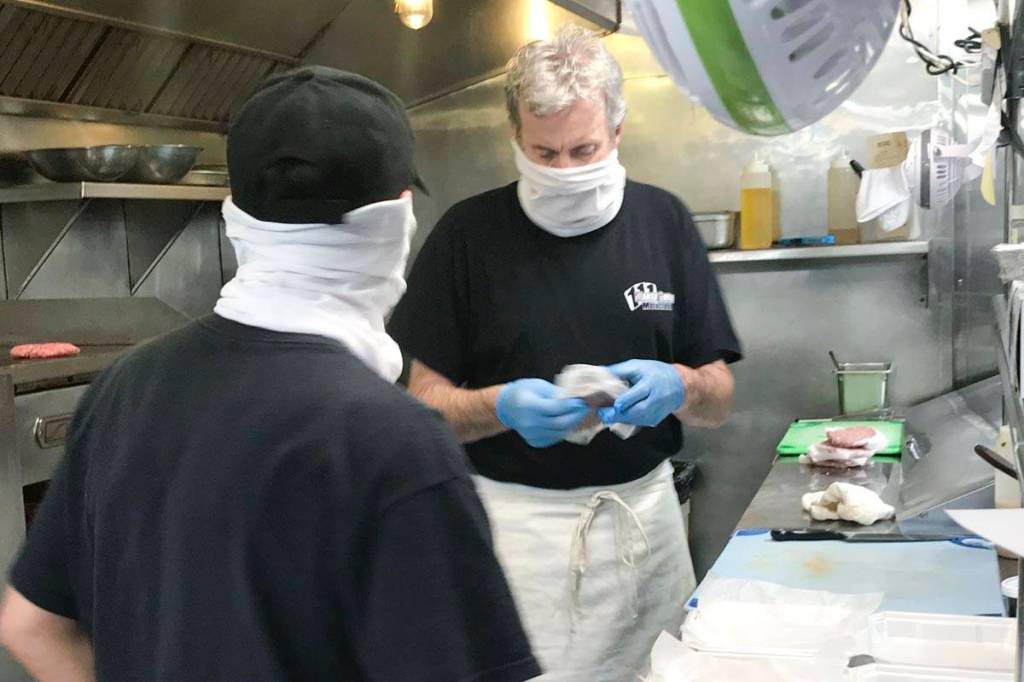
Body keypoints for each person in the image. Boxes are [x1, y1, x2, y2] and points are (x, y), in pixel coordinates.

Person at [0, 66, 541, 682]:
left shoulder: (124, 387)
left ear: (237, 214)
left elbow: (30, 626)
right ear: (398, 213)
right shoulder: (397, 441)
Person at [388, 24, 742, 680]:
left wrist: (681, 386)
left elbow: (718, 399)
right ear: (515, 137)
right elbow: (421, 410)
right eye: (544, 153)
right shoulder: (468, 236)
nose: (566, 171)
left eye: (584, 149)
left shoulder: (663, 222)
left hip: (645, 533)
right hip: (520, 542)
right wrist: (499, 407)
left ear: (618, 130)